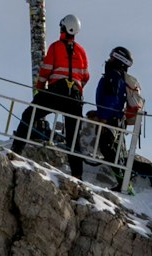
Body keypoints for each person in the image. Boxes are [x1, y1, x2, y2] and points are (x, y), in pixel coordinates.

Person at [20, 13, 88, 153]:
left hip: (57, 91)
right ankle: (77, 167)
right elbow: (86, 77)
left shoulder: (56, 47)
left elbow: (45, 71)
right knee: (73, 137)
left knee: (29, 115)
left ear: (63, 28)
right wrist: (77, 89)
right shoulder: (81, 51)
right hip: (75, 97)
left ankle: (17, 148)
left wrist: (39, 91)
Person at [87, 45, 144, 173]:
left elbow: (111, 99)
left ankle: (123, 178)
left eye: (111, 57)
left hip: (111, 119)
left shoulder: (113, 76)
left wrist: (103, 118)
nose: (108, 59)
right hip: (116, 118)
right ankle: (127, 176)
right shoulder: (117, 76)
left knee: (107, 148)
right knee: (115, 152)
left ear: (117, 59)